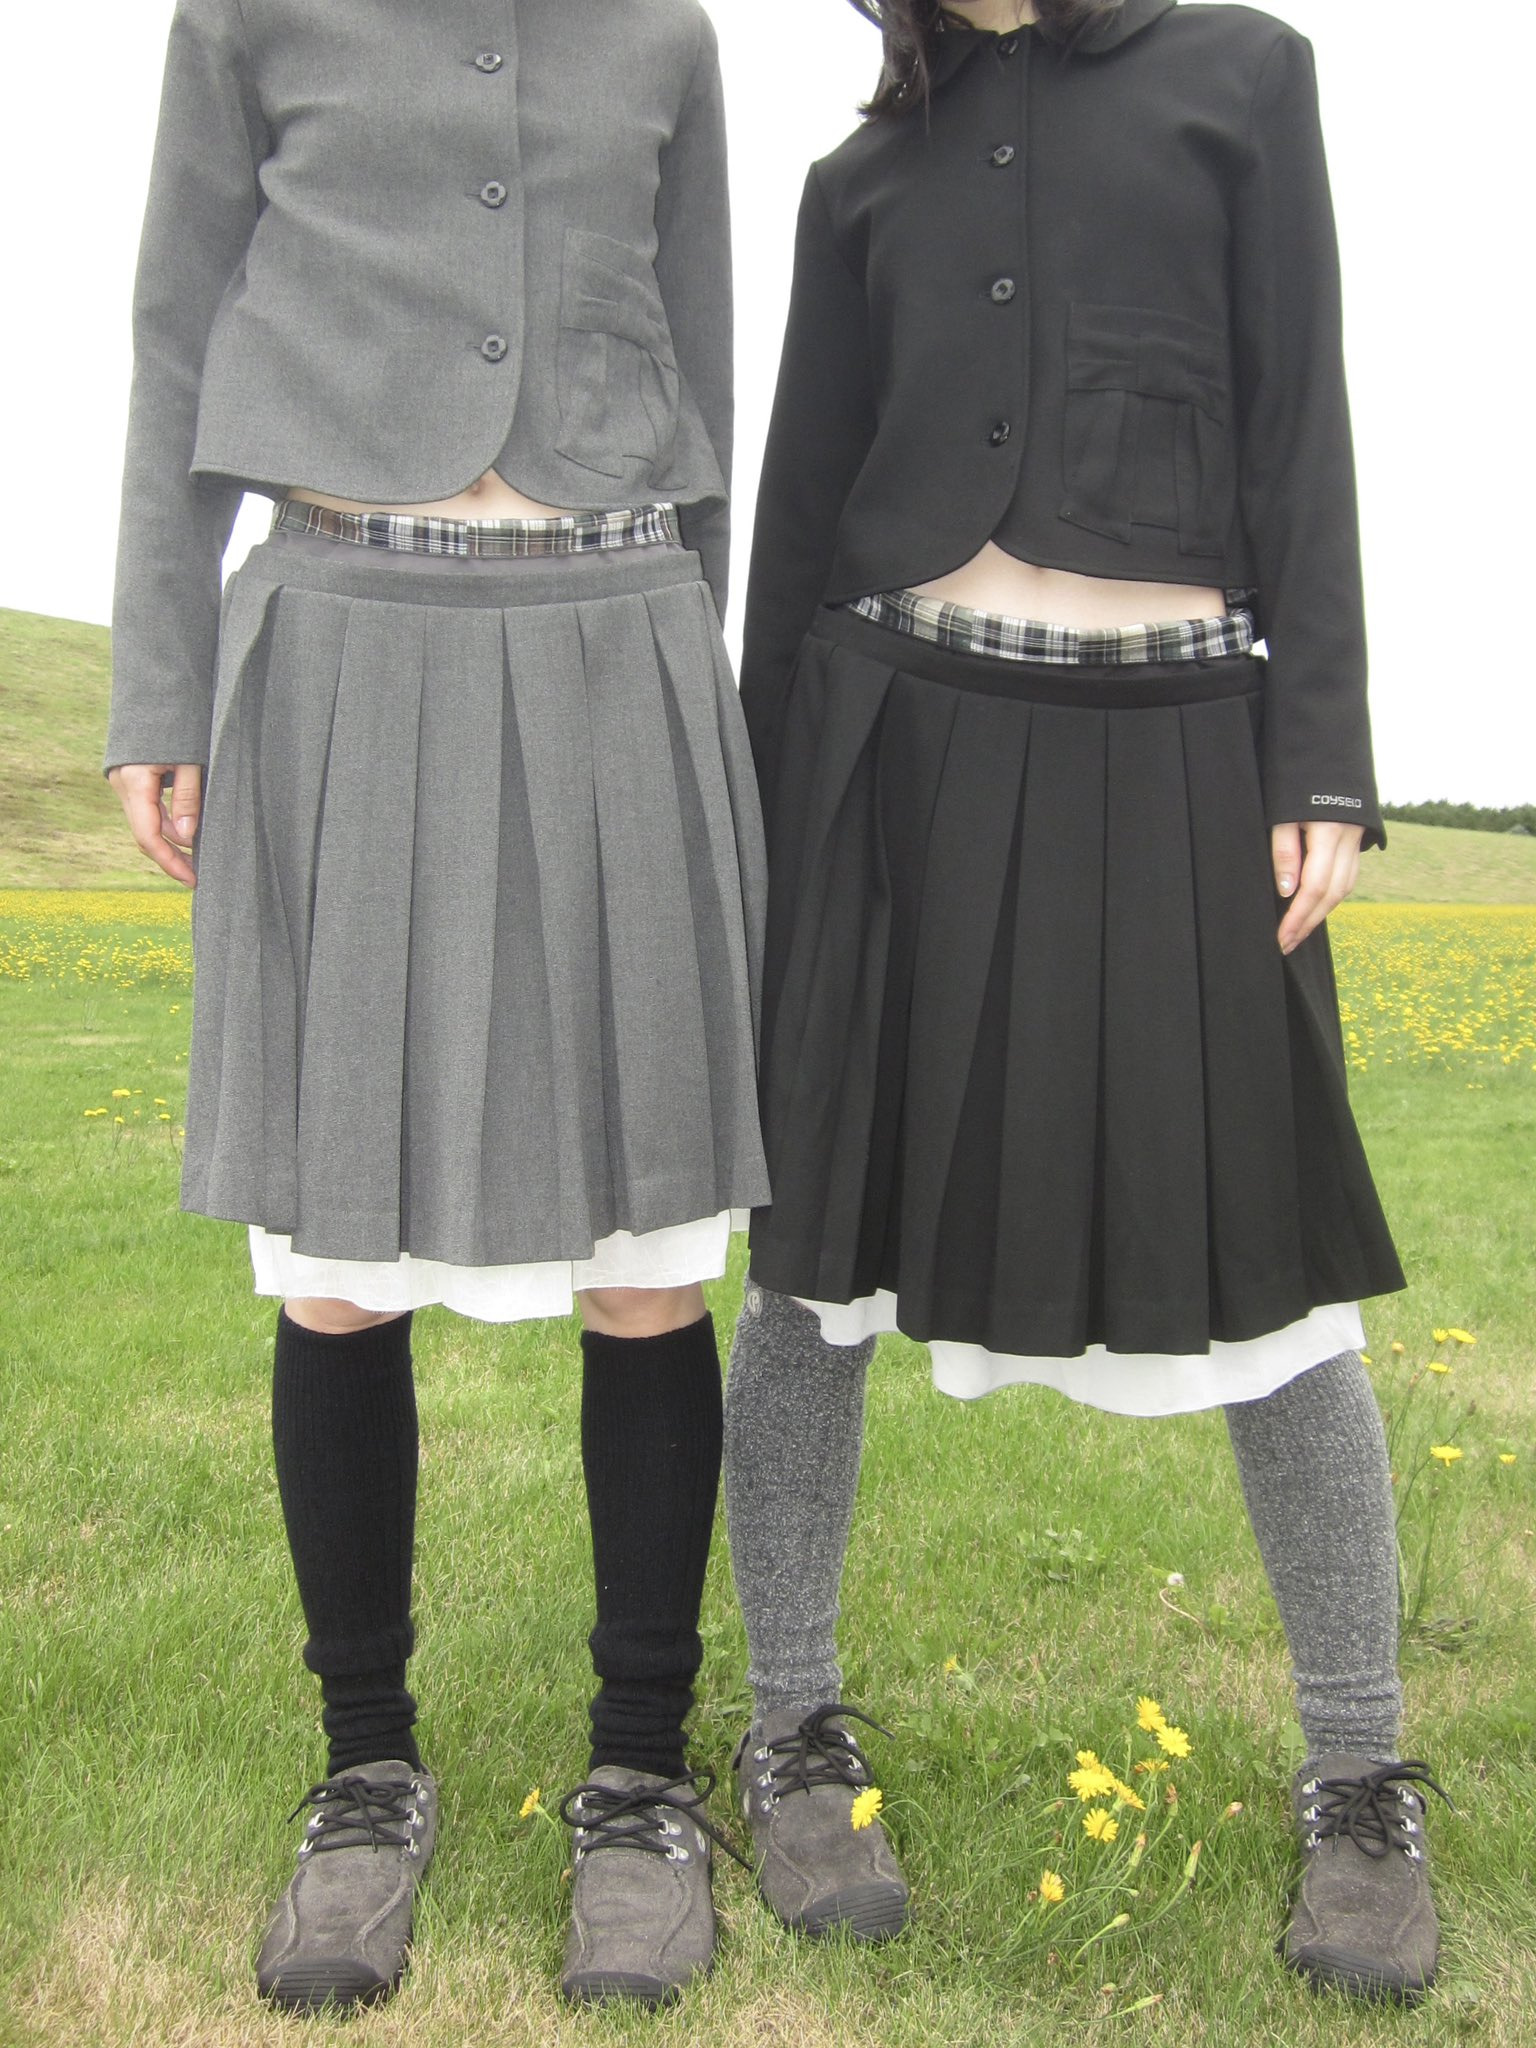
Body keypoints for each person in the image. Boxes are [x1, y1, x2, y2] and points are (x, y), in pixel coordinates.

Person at [721, 0, 1448, 2005]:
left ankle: (1363, 1775)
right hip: (890, 747)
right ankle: (789, 1734)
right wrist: (755, 829)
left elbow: (1302, 419)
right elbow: (797, 510)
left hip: (1181, 749)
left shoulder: (1243, 77)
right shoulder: (858, 180)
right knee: (810, 1269)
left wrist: (1321, 755)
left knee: (1279, 1275)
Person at [107, 0, 765, 2012]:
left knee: (651, 1252)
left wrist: (690, 683)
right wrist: (157, 685)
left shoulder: (666, 33)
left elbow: (709, 362)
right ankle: (365, 1770)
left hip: (620, 630)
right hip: (339, 641)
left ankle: (639, 1780)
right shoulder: (246, 16)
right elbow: (171, 334)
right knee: (335, 1261)